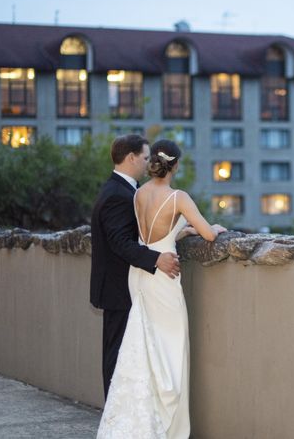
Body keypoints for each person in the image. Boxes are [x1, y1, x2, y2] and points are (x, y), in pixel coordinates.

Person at [98, 138, 227, 439]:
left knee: (144, 346)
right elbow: (209, 234)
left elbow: (150, 234)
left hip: (139, 276)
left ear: (154, 162)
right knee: (171, 349)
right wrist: (211, 229)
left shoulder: (138, 193)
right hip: (163, 278)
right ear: (176, 165)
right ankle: (168, 426)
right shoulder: (179, 197)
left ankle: (143, 421)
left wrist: (183, 231)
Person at [90, 135, 181, 399]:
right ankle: (114, 418)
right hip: (118, 289)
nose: (148, 162)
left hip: (122, 287)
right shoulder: (118, 194)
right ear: (130, 158)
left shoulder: (122, 189)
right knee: (117, 355)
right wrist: (157, 259)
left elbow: (141, 233)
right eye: (144, 157)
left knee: (123, 353)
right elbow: (119, 242)